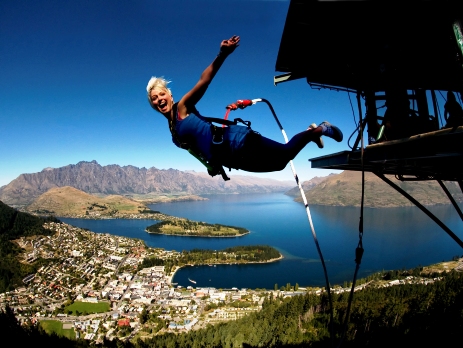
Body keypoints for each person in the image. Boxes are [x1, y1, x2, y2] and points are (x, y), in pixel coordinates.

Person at [146, 35, 342, 179]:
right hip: (229, 157)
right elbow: (195, 149)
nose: (159, 99)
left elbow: (203, 81)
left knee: (284, 155)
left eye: (162, 94)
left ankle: (319, 129)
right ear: (152, 104)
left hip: (236, 140)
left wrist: (222, 54)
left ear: (170, 95)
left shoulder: (182, 107)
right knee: (279, 165)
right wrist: (210, 164)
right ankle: (312, 133)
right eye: (154, 98)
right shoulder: (173, 129)